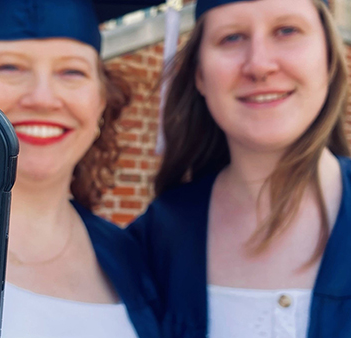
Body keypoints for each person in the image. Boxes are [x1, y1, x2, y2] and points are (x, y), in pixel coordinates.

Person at [0, 0, 160, 336]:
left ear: (101, 101)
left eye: (72, 72)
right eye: (10, 68)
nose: (42, 98)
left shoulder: (133, 257)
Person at [128, 0, 351, 337]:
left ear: (330, 59)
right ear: (200, 75)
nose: (259, 65)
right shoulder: (155, 242)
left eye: (287, 30)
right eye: (231, 38)